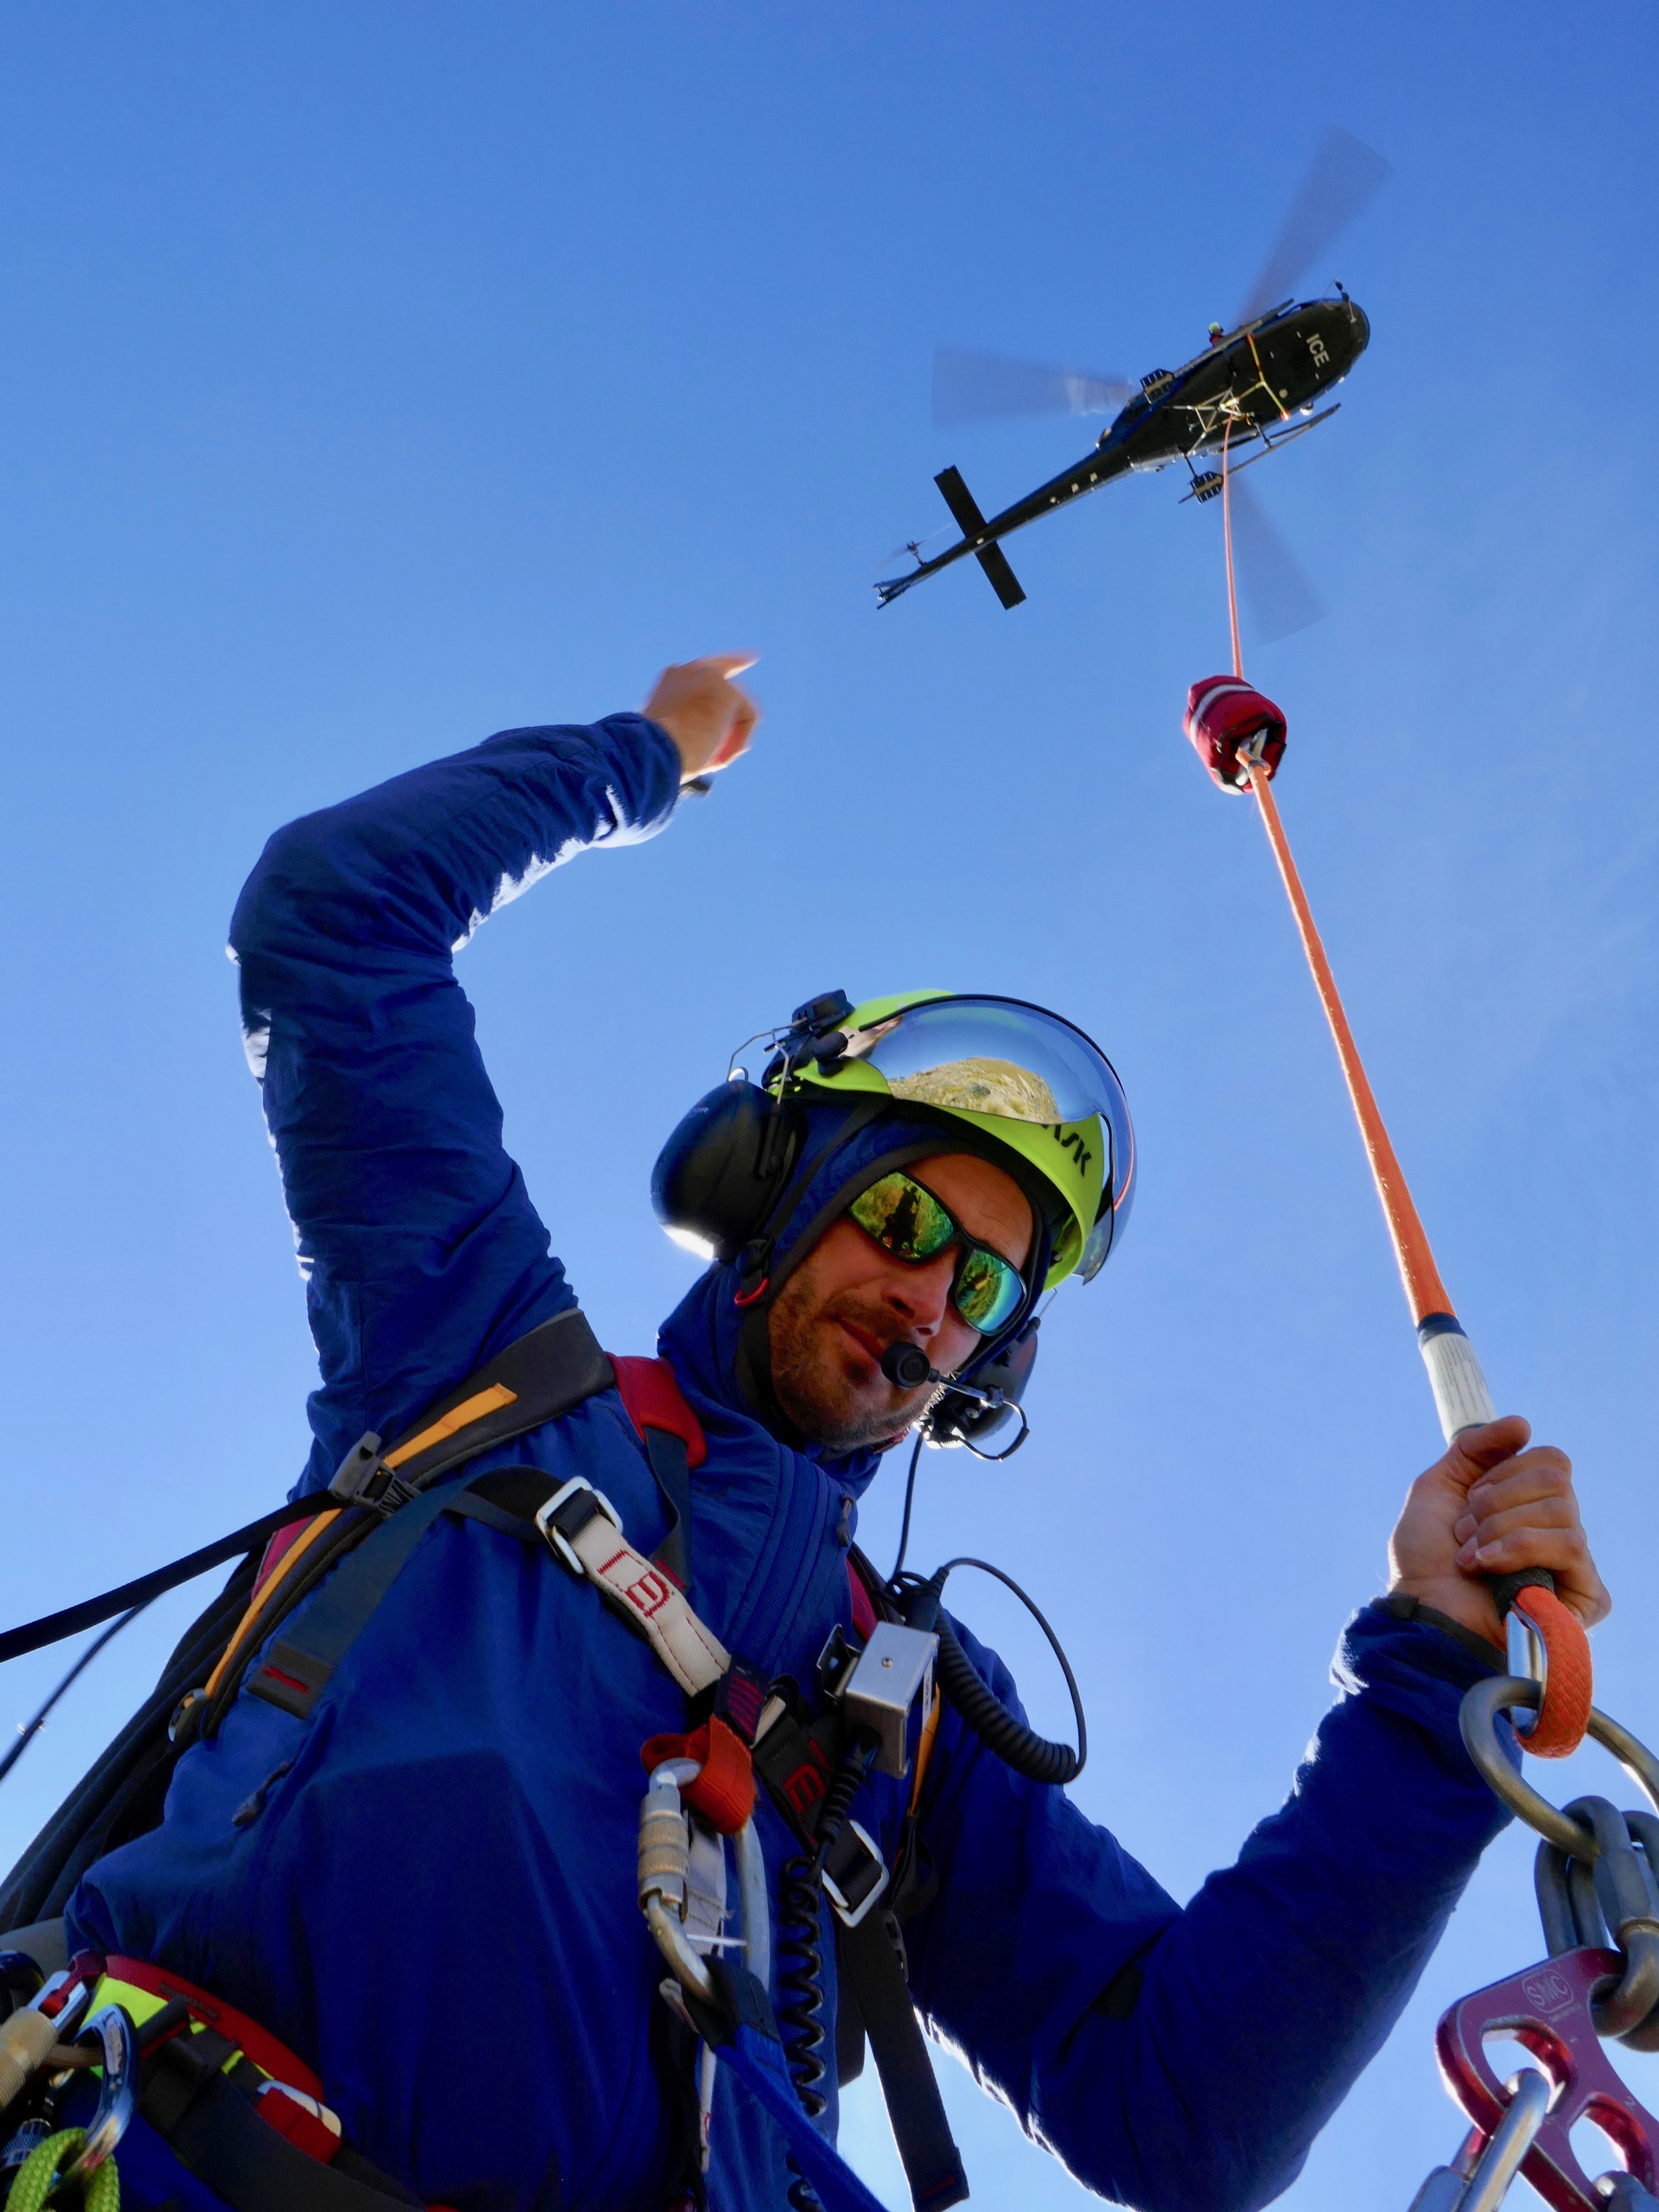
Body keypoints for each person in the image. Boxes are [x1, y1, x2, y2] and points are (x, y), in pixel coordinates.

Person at [53, 655, 1606, 2212]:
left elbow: (1184, 2114)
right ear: (764, 1197)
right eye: (901, 1212)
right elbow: (338, 912)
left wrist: (1436, 1684)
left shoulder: (905, 1716)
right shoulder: (471, 1355)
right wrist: (650, 755)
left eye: (985, 1282)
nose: (934, 1294)